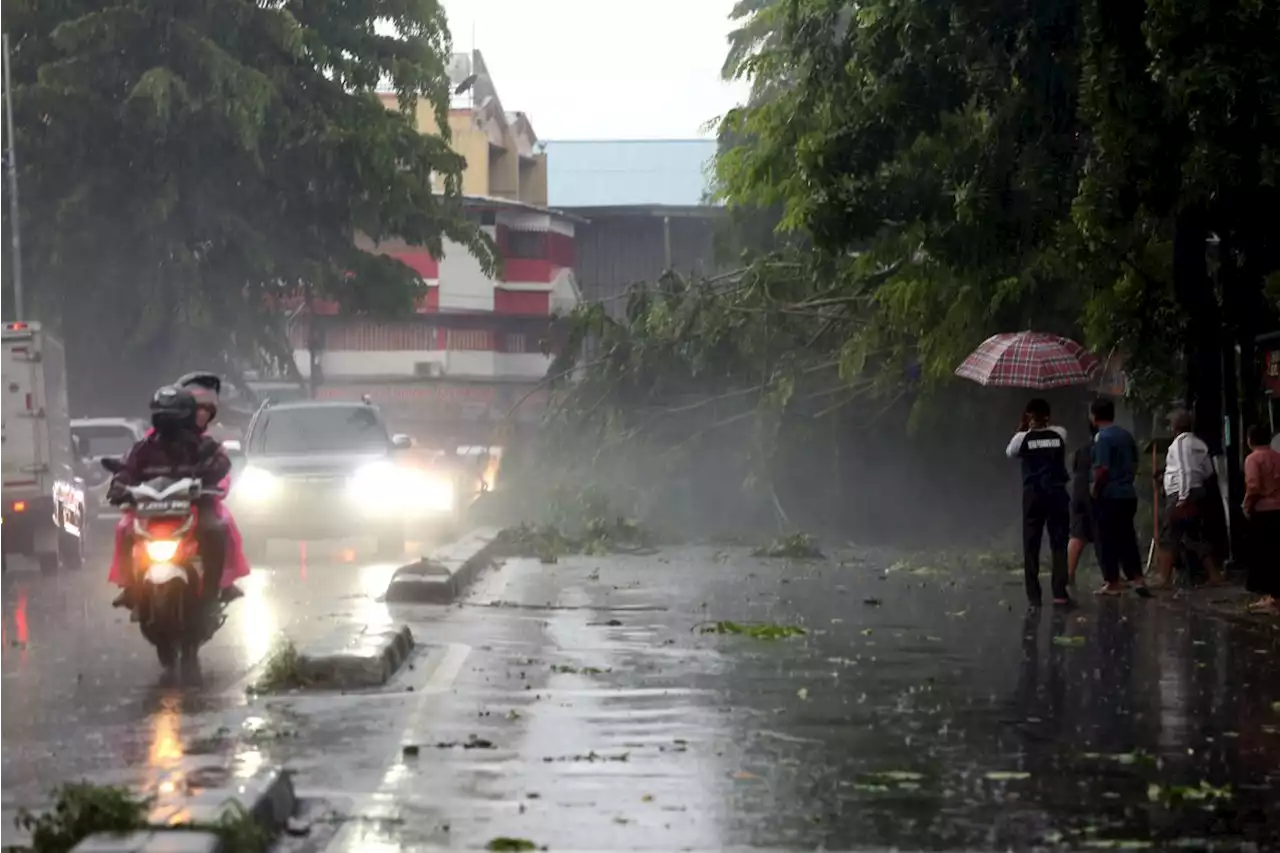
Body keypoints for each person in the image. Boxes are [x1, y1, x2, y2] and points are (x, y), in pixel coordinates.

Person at [108, 386, 231, 620]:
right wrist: (119, 487)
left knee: (215, 531)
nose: (168, 423)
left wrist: (209, 473)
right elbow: (126, 470)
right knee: (124, 530)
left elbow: (221, 463)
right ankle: (131, 588)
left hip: (192, 508)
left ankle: (210, 594)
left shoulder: (202, 446)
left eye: (173, 417)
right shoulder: (144, 448)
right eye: (163, 417)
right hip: (152, 512)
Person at [1005, 398, 1072, 607]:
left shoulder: (1020, 439)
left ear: (1028, 416)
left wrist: (1021, 428)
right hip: (1056, 495)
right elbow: (1057, 437)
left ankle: (1034, 596)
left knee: (1031, 545)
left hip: (1033, 496)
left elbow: (1010, 453)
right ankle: (1060, 593)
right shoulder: (1060, 433)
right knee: (1059, 544)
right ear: (1048, 417)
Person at [1089, 397, 1151, 597]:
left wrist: (1095, 489)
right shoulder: (1125, 435)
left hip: (1109, 495)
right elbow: (1134, 463)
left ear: (1094, 416)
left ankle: (1113, 581)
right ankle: (1138, 578)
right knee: (1127, 537)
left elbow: (1102, 469)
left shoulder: (1102, 438)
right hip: (1127, 494)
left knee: (1106, 538)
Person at [1154, 408, 1223, 587]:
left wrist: (1183, 496)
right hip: (1198, 490)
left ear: (1176, 426)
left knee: (1168, 535)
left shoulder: (1179, 444)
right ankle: (1214, 574)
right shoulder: (1199, 444)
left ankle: (1164, 578)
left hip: (1181, 494)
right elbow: (1208, 471)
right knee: (1195, 535)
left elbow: (1184, 470)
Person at [1242, 424, 1280, 612]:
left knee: (1263, 555)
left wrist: (1247, 505)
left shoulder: (1252, 459)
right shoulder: (1277, 456)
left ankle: (1270, 598)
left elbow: (1254, 486)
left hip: (1263, 511)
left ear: (1250, 440)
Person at [1067, 423, 1098, 587]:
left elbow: (1075, 470)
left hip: (1079, 493)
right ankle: (1113, 578)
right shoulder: (1102, 449)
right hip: (1094, 493)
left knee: (1078, 535)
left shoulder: (1081, 450)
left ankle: (1069, 574)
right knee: (1106, 534)